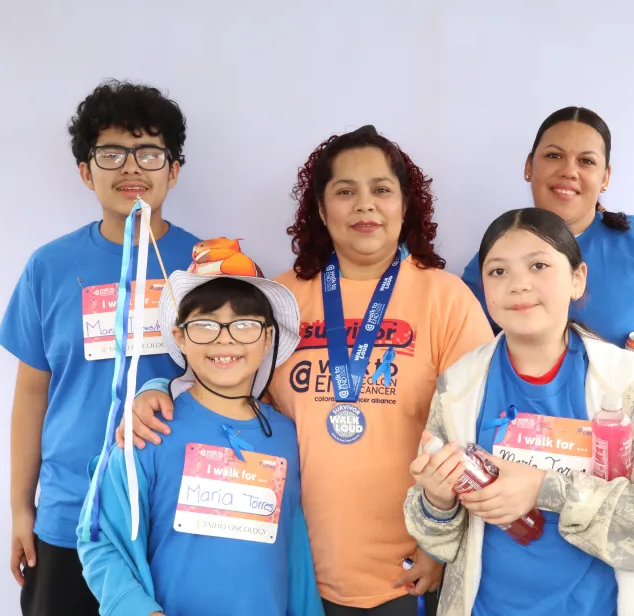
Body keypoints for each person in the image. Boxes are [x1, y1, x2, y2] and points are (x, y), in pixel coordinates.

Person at [122, 125, 495, 615]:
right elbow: (225, 384)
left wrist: (438, 544)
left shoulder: (447, 300)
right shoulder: (281, 299)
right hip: (289, 569)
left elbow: (477, 434)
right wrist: (155, 388)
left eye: (382, 190)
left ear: (405, 204)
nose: (365, 205)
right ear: (321, 209)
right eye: (345, 191)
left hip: (409, 573)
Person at [460, 107, 634, 615]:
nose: (568, 170)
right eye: (553, 155)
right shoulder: (496, 259)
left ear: (606, 177)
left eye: (585, 160)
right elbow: (468, 366)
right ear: (529, 166)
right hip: (553, 483)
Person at [405, 207, 634, 616]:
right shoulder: (459, 386)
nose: (518, 284)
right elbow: (443, 543)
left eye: (538, 265)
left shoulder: (625, 383)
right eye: (498, 271)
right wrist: (437, 500)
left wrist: (544, 487)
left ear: (577, 279)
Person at [0, 79, 200, 616]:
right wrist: (21, 508)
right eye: (111, 153)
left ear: (173, 170)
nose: (131, 168)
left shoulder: (209, 267)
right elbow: (31, 396)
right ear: (87, 171)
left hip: (173, 517)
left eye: (149, 152)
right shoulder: (50, 267)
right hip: (69, 517)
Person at [76, 242, 323, 615]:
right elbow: (98, 536)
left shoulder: (287, 435)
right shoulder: (151, 428)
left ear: (268, 337)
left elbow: (295, 553)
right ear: (180, 338)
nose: (225, 338)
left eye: (244, 324)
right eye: (205, 324)